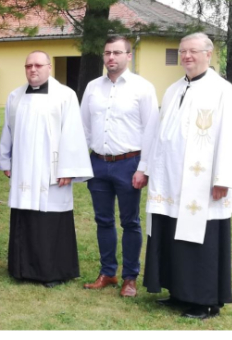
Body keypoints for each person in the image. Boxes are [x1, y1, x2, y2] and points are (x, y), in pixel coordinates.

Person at [139, 33, 232, 320]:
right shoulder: (174, 89)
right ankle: (178, 291)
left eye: (193, 51)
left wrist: (222, 178)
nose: (186, 56)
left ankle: (204, 300)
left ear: (209, 54)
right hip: (170, 179)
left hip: (203, 181)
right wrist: (147, 168)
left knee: (200, 237)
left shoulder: (223, 91)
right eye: (183, 51)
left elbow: (231, 135)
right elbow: (158, 132)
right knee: (171, 232)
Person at [0, 52, 92, 287]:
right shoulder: (15, 96)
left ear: (49, 67)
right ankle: (21, 268)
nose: (33, 69)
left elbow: (73, 133)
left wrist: (68, 169)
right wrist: (6, 161)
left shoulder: (64, 95)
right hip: (24, 169)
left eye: (38, 65)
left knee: (51, 221)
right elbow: (8, 130)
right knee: (24, 217)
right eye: (28, 65)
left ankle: (52, 272)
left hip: (53, 171)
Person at [79, 37, 157, 296]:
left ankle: (130, 278)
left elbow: (151, 130)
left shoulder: (142, 88)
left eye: (117, 53)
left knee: (130, 221)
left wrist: (143, 168)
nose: (111, 57)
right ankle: (108, 272)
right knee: (103, 220)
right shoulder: (92, 87)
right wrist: (83, 162)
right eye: (107, 53)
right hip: (99, 164)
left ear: (128, 56)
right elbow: (84, 127)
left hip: (129, 163)